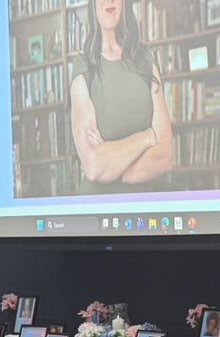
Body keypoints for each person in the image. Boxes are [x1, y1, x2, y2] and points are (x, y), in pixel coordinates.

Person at [69, 0, 173, 195]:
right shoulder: (83, 67)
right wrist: (147, 137)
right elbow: (94, 165)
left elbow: (165, 157)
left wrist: (112, 167)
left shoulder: (146, 61)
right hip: (99, 207)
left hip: (143, 208)